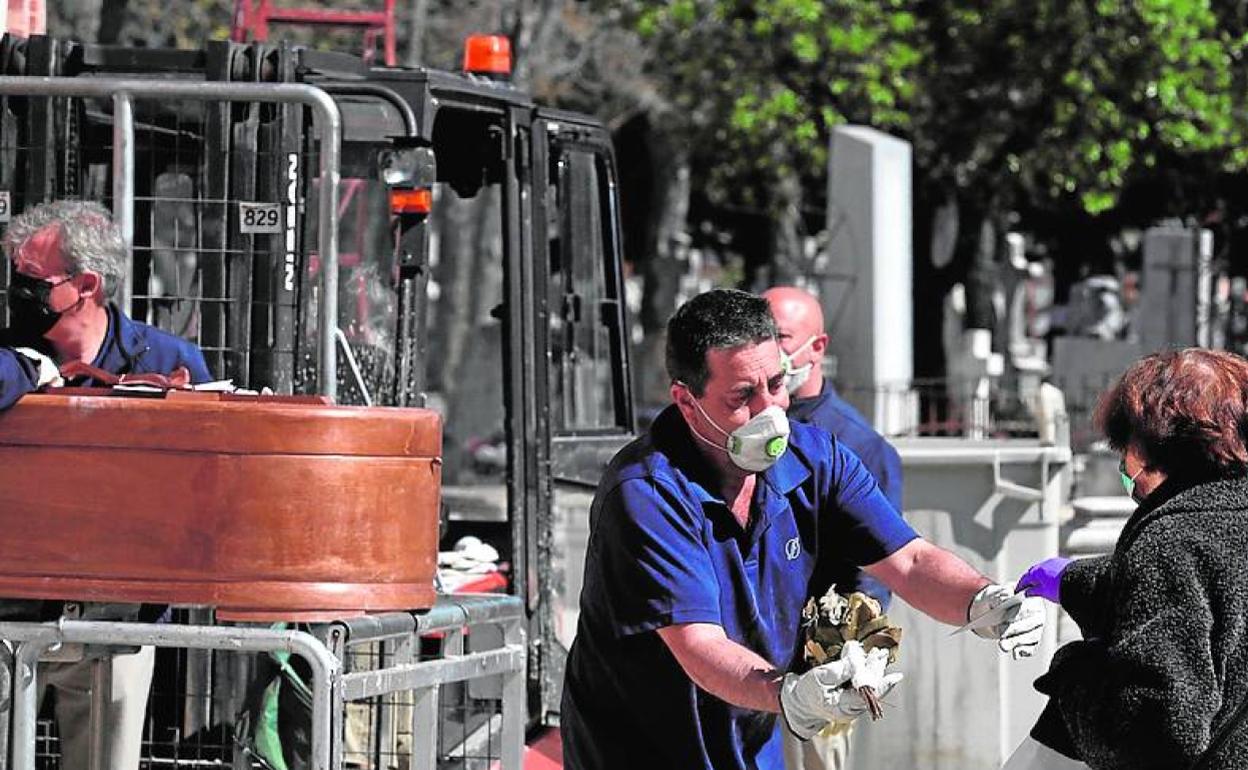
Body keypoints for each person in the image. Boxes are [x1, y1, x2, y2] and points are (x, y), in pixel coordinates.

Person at [561, 289, 1045, 770]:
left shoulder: (815, 457)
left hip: (750, 739)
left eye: (775, 383)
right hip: (640, 749)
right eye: (742, 396)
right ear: (687, 403)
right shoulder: (647, 491)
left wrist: (982, 600)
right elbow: (700, 645)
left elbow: (909, 560)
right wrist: (791, 694)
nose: (769, 411)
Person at [0, 199, 212, 770]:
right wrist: (24, 368)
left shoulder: (167, 357)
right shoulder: (9, 350)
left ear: (86, 284)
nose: (17, 290)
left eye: (32, 279)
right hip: (9, 607)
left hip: (116, 616)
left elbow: (202, 477)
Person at [1011, 348, 1248, 770]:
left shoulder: (1171, 541)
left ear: (1151, 447)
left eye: (1129, 459)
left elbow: (1158, 730)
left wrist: (1074, 676)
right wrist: (1069, 580)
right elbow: (1218, 590)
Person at [763, 286, 904, 770]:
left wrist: (845, 657)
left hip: (816, 665)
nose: (769, 349)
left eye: (779, 336)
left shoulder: (857, 444)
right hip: (745, 660)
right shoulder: (743, 429)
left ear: (817, 348)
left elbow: (883, 567)